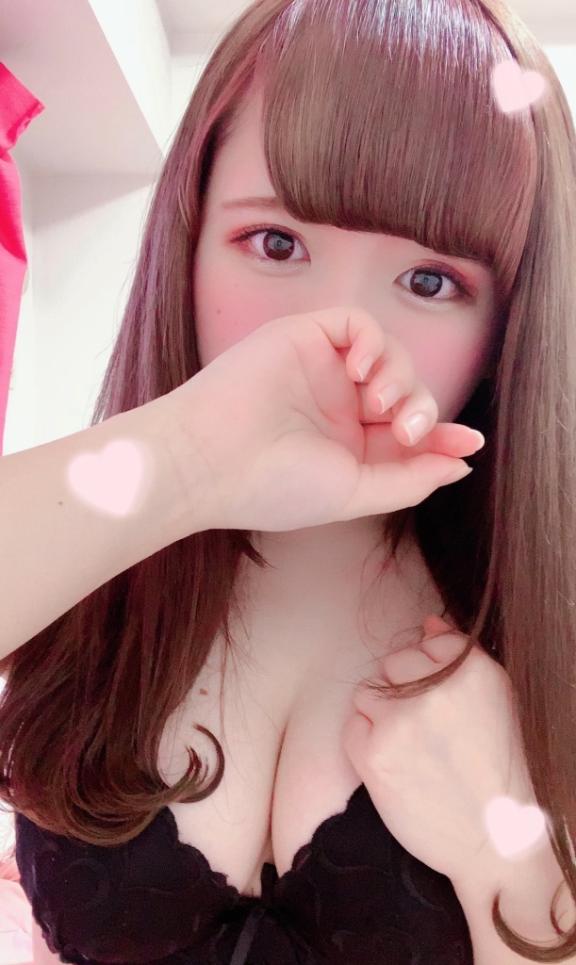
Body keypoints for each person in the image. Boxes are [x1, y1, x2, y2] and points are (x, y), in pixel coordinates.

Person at [2, 0, 576, 961]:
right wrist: (186, 462)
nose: (336, 333)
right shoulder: (89, 561)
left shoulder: (548, 631)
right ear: (189, 239)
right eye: (276, 244)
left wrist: (507, 855)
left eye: (430, 281)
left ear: (508, 321)